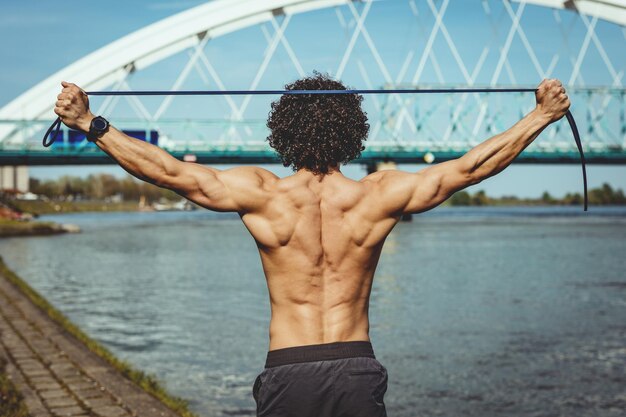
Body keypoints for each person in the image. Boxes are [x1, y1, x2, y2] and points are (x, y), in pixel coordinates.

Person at [54, 72, 570, 417]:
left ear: (285, 130)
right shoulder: (378, 195)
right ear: (352, 132)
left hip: (289, 371)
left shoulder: (263, 195)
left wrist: (90, 124)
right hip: (356, 369)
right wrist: (540, 117)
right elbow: (469, 169)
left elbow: (168, 173)